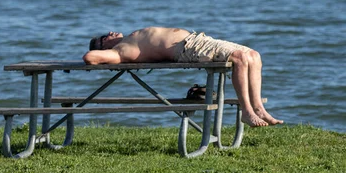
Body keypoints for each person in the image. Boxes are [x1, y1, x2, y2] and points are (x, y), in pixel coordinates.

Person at [83, 27, 283, 127]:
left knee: (254, 56)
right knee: (240, 59)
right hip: (188, 48)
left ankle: (258, 108)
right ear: (103, 47)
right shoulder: (120, 50)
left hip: (197, 39)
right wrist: (104, 54)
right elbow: (89, 57)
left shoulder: (127, 40)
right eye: (103, 37)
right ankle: (247, 112)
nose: (109, 32)